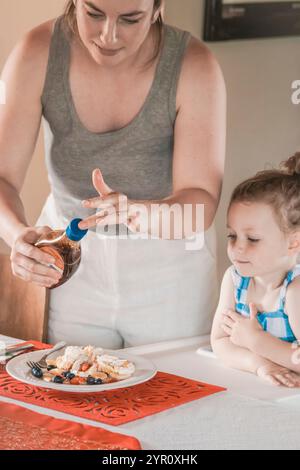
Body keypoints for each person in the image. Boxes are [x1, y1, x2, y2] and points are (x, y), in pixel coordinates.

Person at [0, 0, 226, 348]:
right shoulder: (36, 53)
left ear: (156, 10)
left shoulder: (194, 66)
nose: (108, 35)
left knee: (175, 395)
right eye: (93, 13)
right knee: (69, 386)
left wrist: (142, 213)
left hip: (171, 265)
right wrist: (17, 236)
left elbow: (202, 201)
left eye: (130, 19)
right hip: (71, 260)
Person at [211, 153, 300, 388]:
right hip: (259, 387)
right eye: (232, 235)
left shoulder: (294, 291)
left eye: (252, 239)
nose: (237, 247)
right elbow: (219, 341)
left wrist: (256, 340)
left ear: (293, 242)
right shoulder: (234, 279)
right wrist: (259, 364)